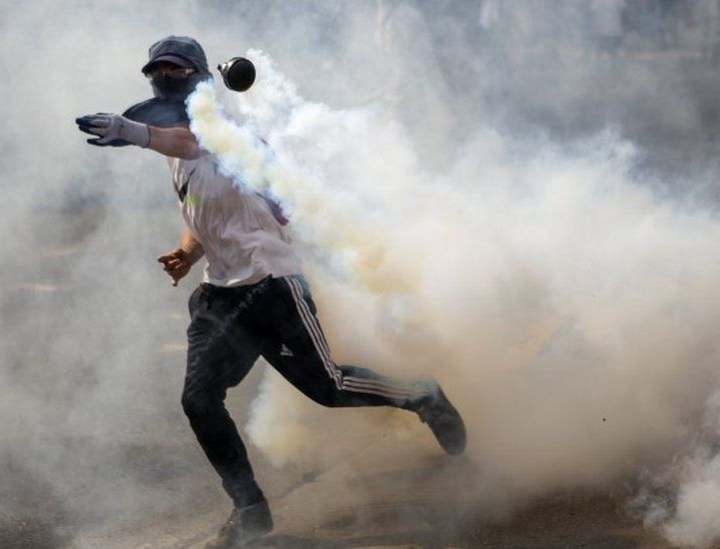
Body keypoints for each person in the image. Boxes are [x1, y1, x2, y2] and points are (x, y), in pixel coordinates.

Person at [75, 36, 466, 549]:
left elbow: (190, 142)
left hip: (272, 285)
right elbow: (205, 208)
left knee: (328, 388)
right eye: (156, 72)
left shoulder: (222, 129)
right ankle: (250, 509)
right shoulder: (176, 149)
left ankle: (421, 395)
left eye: (174, 70)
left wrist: (131, 130)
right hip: (220, 293)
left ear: (197, 76)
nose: (163, 79)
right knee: (199, 401)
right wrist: (188, 252)